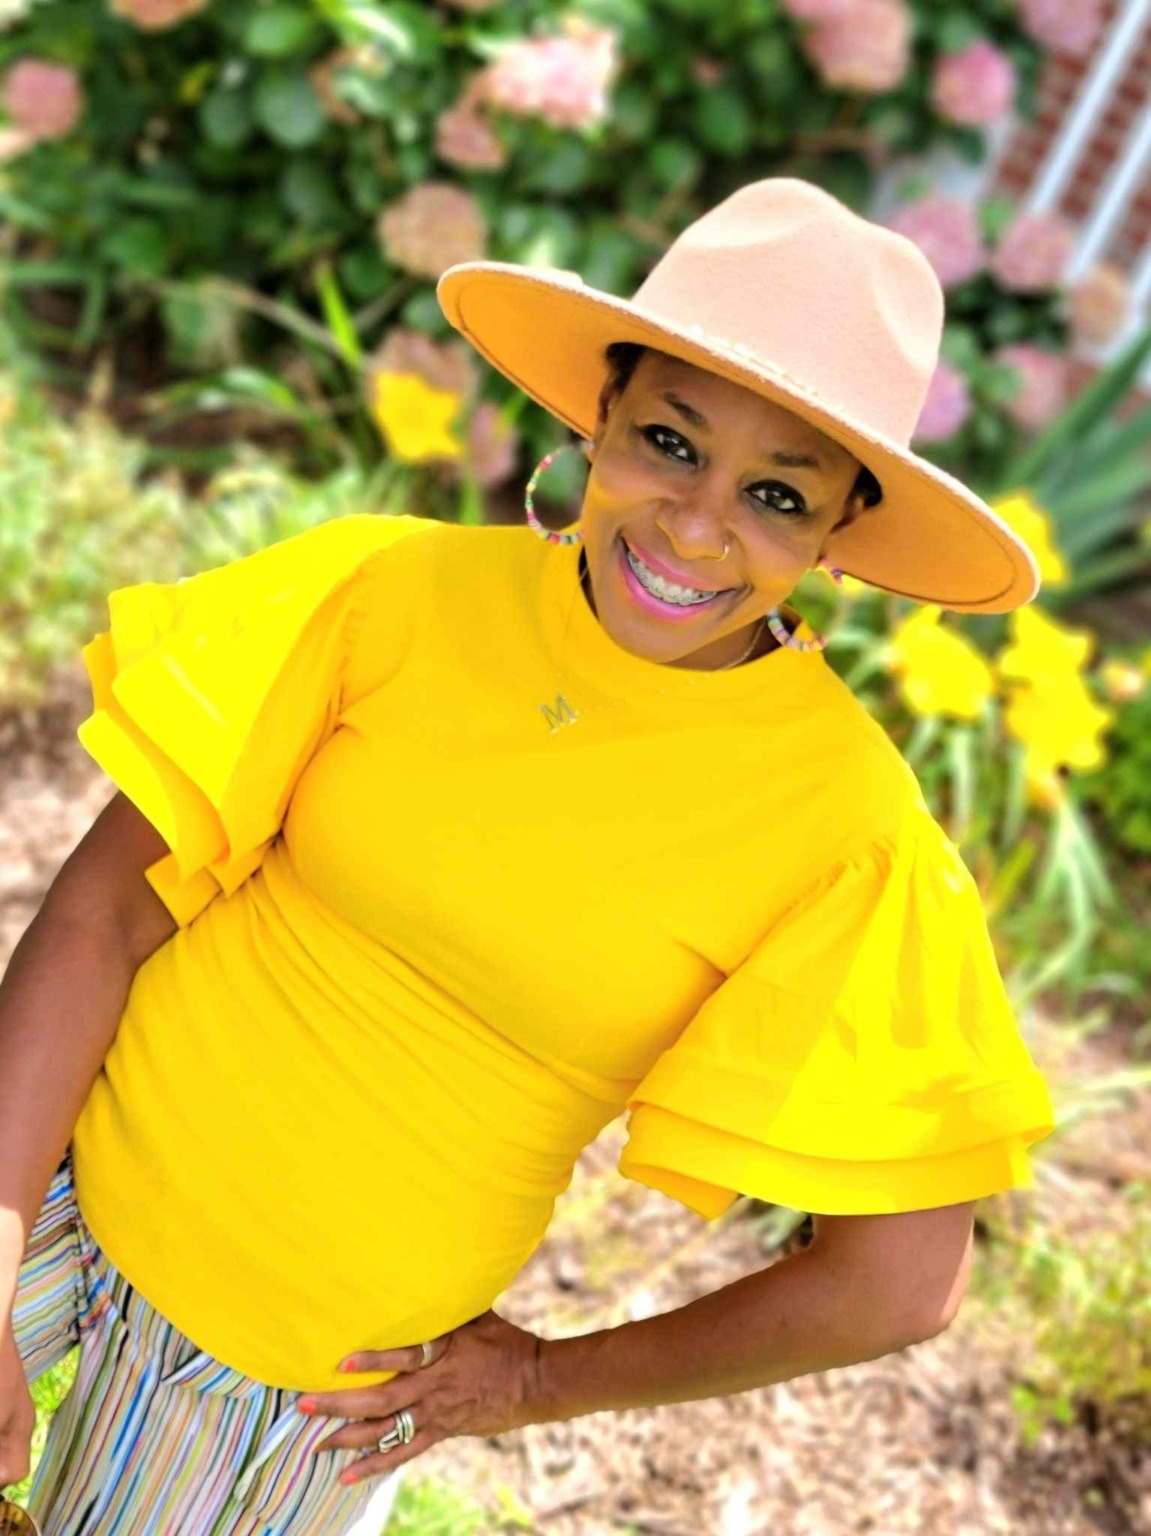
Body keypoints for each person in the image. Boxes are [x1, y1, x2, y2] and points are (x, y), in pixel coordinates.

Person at [0, 177, 1055, 1536]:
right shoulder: (395, 591)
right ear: (600, 415)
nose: (695, 527)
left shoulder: (845, 828)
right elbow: (104, 915)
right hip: (47, 1181)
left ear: (837, 529)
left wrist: (541, 1381)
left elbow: (896, 1283)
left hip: (287, 1383)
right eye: (669, 442)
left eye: (776, 493)